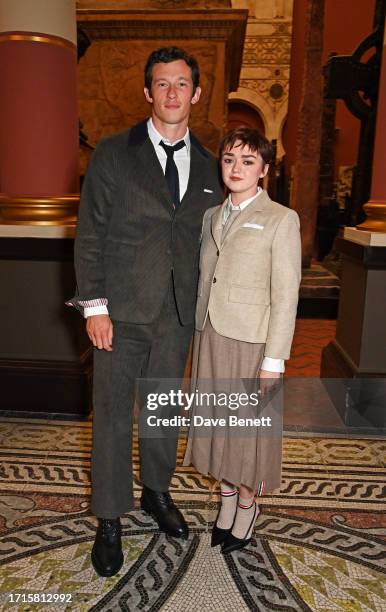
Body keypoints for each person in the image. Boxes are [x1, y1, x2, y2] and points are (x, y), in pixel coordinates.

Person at [69, 46, 223, 577]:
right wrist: (95, 307)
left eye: (182, 84)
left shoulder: (210, 165)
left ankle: (157, 492)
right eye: (162, 84)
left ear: (196, 93)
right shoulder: (114, 154)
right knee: (112, 416)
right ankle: (110, 517)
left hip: (177, 316)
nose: (173, 93)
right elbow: (89, 235)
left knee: (162, 411)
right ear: (147, 92)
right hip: (121, 312)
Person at [183, 127, 301, 554]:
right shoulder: (210, 216)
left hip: (253, 343)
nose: (237, 168)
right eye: (230, 159)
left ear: (264, 170)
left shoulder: (281, 219)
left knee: (249, 430)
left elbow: (286, 295)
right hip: (211, 333)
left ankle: (249, 505)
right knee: (218, 422)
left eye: (248, 161)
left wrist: (275, 360)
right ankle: (227, 499)